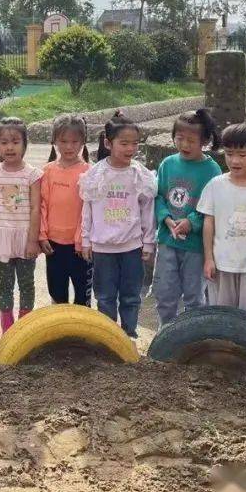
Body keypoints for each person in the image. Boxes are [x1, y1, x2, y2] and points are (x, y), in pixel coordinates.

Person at [80, 111, 156, 338]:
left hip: (132, 246)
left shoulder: (139, 174)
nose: (130, 149)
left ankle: (129, 334)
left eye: (134, 143)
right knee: (104, 296)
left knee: (132, 295)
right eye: (124, 143)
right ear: (108, 142)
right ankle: (109, 338)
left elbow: (147, 209)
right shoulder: (96, 175)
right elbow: (88, 209)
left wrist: (149, 242)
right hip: (103, 247)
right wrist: (85, 240)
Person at [153, 109, 222, 326]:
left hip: (196, 245)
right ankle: (166, 332)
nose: (184, 145)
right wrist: (165, 219)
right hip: (167, 240)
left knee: (194, 296)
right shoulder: (168, 164)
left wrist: (191, 222)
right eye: (179, 138)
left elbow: (212, 207)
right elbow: (158, 197)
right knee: (165, 292)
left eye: (191, 140)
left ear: (204, 141)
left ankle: (192, 336)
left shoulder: (211, 170)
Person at [198, 123, 246, 313]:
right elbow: (208, 223)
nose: (235, 160)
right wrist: (209, 258)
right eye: (229, 154)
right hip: (222, 265)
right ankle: (221, 345)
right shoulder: (215, 185)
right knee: (222, 315)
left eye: (242, 155)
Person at [0, 117, 42, 333]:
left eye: (15, 141)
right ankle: (8, 330)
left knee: (27, 284)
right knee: (4, 285)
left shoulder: (33, 175)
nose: (9, 147)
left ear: (24, 144)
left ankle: (25, 329)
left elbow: (36, 208)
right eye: (4, 142)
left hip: (25, 238)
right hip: (1, 238)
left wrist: (33, 240)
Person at [39, 115, 92, 306]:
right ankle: (60, 332)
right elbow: (41, 205)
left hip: (81, 248)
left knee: (82, 297)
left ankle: (82, 334)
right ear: (54, 141)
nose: (69, 146)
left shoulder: (89, 173)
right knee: (57, 294)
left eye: (74, 141)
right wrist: (42, 235)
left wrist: (81, 239)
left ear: (83, 142)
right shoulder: (47, 171)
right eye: (63, 141)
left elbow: (88, 209)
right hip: (53, 245)